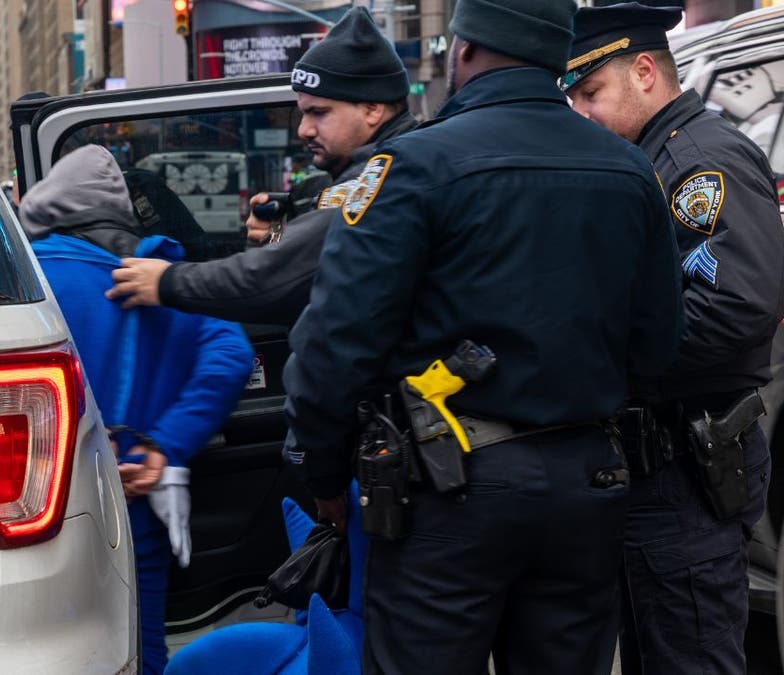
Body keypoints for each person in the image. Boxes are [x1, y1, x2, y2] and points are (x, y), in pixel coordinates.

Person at [282, 0, 685, 673]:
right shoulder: (629, 169)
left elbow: (335, 345)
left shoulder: (411, 165)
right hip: (587, 484)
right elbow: (658, 345)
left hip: (449, 488)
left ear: (464, 48)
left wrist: (322, 473)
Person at [563, 4, 784, 673]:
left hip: (685, 464)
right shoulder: (650, 159)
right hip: (657, 464)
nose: (582, 112)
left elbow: (735, 303)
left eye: (591, 93)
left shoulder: (697, 161)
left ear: (646, 70)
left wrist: (610, 363)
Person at [19, 144, 253, 675]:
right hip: (138, 499)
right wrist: (164, 443)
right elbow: (232, 354)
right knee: (143, 647)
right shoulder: (162, 275)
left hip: (47, 508)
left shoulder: (26, 281)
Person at [106, 7, 417, 326]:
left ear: (372, 109)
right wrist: (283, 232)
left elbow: (265, 280)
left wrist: (165, 281)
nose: (303, 130)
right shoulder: (390, 165)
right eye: (303, 114)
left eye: (319, 113)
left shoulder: (383, 178)